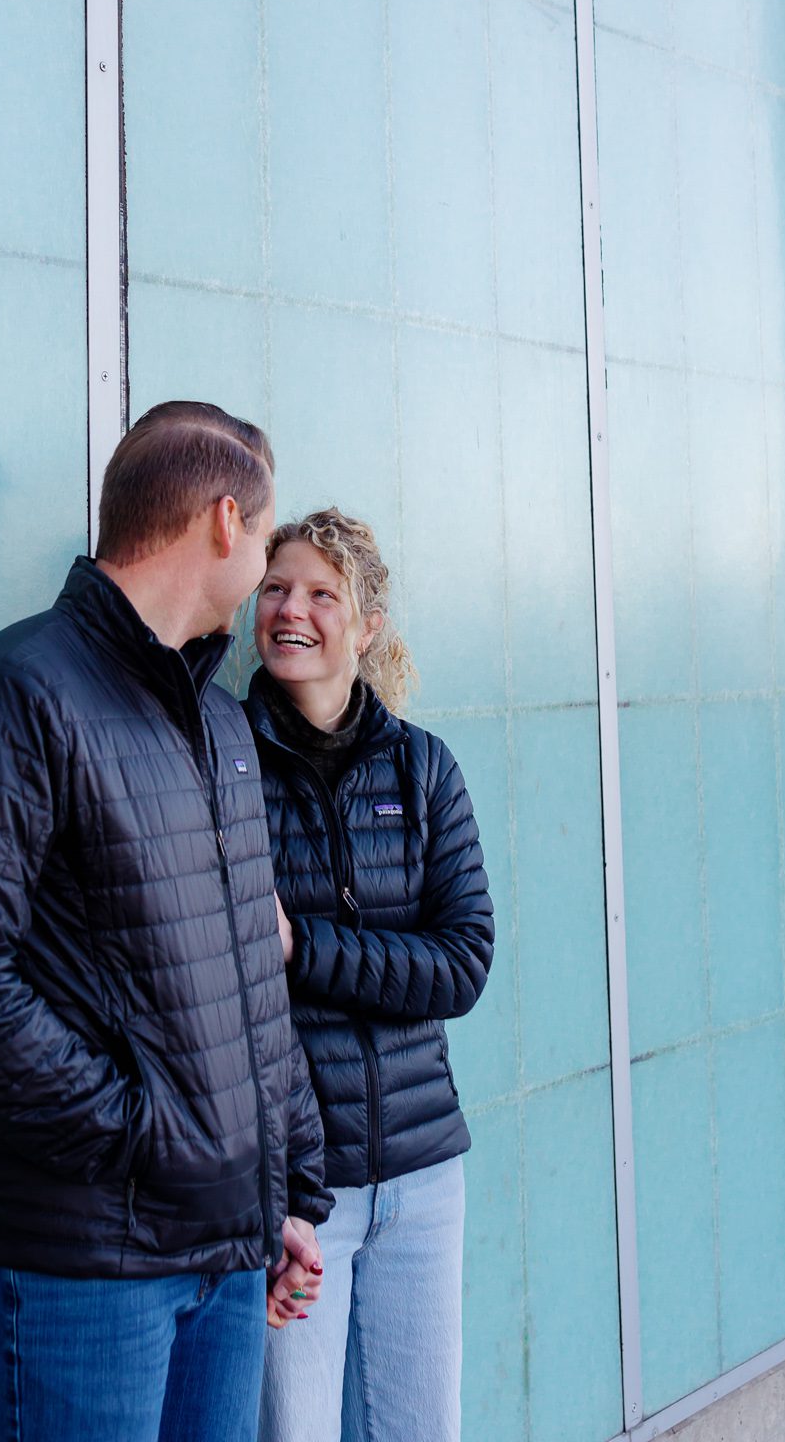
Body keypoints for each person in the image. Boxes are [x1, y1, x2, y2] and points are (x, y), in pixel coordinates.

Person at [0, 402, 331, 1442]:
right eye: (265, 535)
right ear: (225, 520)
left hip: (224, 1253)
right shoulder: (19, 692)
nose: (265, 565)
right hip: (78, 1268)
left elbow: (244, 972)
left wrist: (280, 1185)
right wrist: (143, 1133)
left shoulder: (219, 719)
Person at [246, 508, 494, 1442]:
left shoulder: (423, 768)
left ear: (366, 626)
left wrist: (302, 949)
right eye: (274, 588)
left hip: (423, 1174)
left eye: (321, 594)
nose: (290, 610)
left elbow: (460, 965)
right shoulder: (224, 763)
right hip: (300, 1189)